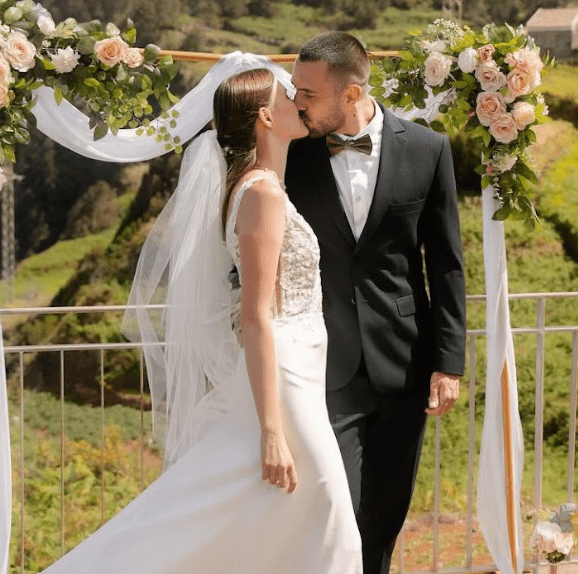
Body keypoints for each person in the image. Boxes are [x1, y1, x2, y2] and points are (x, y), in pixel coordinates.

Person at [40, 65, 361, 573]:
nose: (298, 100)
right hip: (286, 378)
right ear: (266, 117)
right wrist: (271, 429)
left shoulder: (264, 188)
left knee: (278, 516)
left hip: (301, 368)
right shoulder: (261, 194)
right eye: (287, 94)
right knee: (330, 516)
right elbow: (255, 316)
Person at [285, 31, 467, 574]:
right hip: (323, 364)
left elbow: (446, 263)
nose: (297, 102)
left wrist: (448, 363)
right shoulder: (293, 151)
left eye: (309, 93)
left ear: (352, 92)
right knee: (338, 512)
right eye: (296, 89)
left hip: (404, 363)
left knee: (384, 517)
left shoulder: (428, 149)